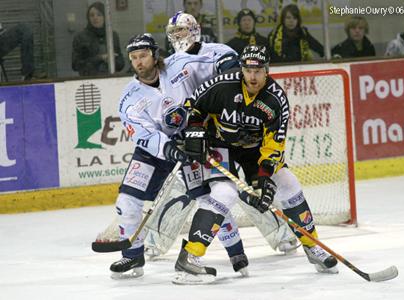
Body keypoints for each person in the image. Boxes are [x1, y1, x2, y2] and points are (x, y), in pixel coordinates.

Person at [172, 45, 338, 284]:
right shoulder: (222, 85)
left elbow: (274, 146)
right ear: (241, 69)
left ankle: (312, 247)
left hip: (254, 151)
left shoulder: (276, 99)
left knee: (288, 183)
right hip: (220, 145)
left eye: (258, 70)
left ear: (267, 71)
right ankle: (190, 257)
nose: (252, 76)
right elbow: (194, 107)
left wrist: (263, 177)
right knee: (224, 193)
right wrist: (195, 131)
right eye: (248, 70)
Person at [108, 32, 248, 279]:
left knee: (211, 200)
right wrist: (166, 148)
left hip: (194, 140)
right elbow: (141, 133)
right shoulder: (129, 98)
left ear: (154, 55)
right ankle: (132, 256)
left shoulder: (181, 64)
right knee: (126, 203)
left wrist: (228, 63)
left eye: (143, 55)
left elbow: (215, 56)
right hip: (155, 151)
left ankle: (235, 251)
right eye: (134, 58)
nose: (139, 62)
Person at [72, 1, 124, 76]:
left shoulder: (112, 35)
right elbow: (75, 65)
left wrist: (112, 60)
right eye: (92, 15)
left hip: (111, 79)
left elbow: (121, 64)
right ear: (88, 18)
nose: (95, 18)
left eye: (99, 15)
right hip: (89, 80)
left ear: (105, 17)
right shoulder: (80, 37)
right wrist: (100, 58)